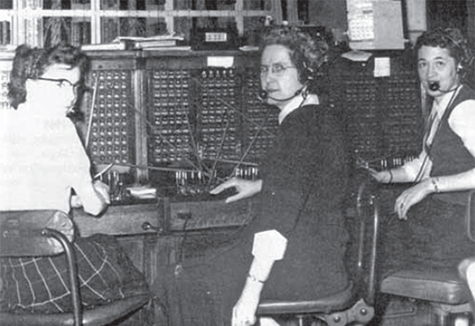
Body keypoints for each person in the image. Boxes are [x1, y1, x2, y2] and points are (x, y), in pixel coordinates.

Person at [152, 26, 350, 326]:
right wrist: (260, 185)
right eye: (264, 69)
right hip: (320, 256)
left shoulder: (298, 128)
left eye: (280, 69)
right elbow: (310, 180)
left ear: (308, 73)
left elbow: (278, 221)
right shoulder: (317, 116)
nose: (268, 78)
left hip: (304, 265)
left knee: (182, 280)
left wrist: (251, 293)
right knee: (193, 271)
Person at [0, 43, 148, 313]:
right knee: (139, 283)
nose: (71, 95)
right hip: (53, 273)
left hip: (8, 284)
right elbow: (95, 207)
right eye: (60, 83)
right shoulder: (62, 129)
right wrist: (97, 190)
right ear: (31, 84)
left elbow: (22, 197)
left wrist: (71, 198)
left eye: (75, 86)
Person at [368, 28, 475, 273]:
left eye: (440, 63)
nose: (429, 73)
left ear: (458, 66)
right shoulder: (442, 104)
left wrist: (429, 185)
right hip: (448, 216)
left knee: (376, 242)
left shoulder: (464, 109)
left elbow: (429, 176)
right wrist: (386, 176)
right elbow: (424, 162)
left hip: (461, 223)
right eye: (423, 64)